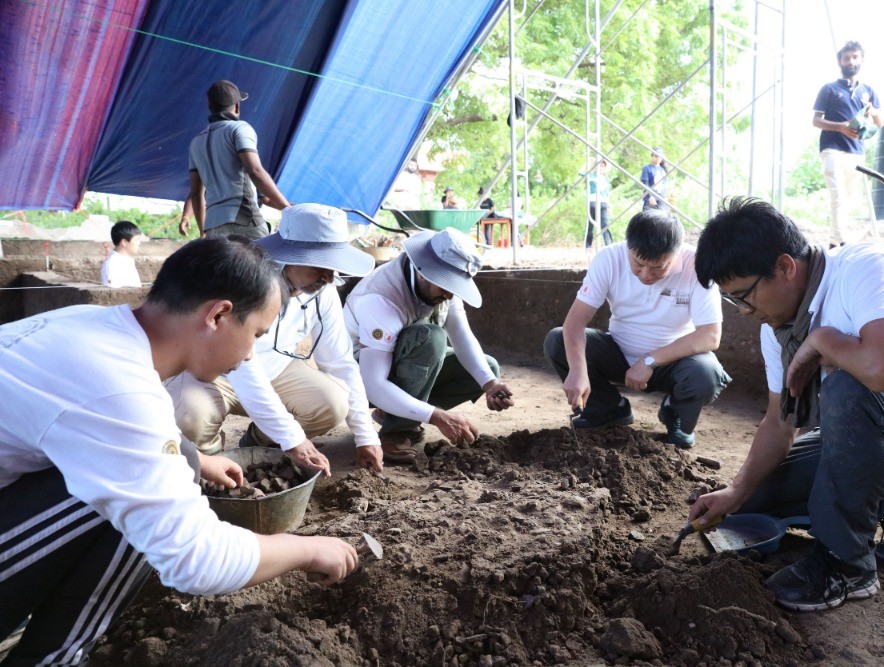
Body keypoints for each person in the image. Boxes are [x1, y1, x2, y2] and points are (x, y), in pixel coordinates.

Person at [0, 237, 359, 665]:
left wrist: (198, 459)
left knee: (175, 461)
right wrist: (307, 548)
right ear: (219, 315)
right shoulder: (116, 388)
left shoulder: (89, 325)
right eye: (255, 336)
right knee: (127, 497)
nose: (249, 356)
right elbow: (196, 560)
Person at [691, 197, 884, 613]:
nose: (743, 311)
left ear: (785, 267)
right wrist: (736, 491)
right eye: (732, 300)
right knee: (752, 501)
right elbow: (779, 422)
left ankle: (846, 566)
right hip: (868, 438)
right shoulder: (778, 324)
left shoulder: (865, 270)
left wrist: (822, 340)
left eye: (743, 296)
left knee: (849, 388)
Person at [166, 204, 383, 475]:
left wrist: (366, 436)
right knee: (190, 415)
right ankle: (214, 464)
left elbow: (340, 362)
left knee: (333, 402)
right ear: (290, 257)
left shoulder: (323, 290)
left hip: (277, 370)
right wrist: (293, 439)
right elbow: (243, 364)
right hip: (218, 373)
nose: (329, 277)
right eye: (320, 266)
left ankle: (257, 445)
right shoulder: (246, 282)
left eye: (334, 266)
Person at [544, 209, 730, 447]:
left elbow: (710, 336)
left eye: (658, 268)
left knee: (707, 373)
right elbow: (575, 324)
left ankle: (676, 413)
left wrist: (650, 360)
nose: (646, 275)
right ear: (628, 248)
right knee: (557, 340)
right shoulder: (609, 258)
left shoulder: (697, 266)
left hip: (672, 363)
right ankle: (607, 409)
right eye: (638, 264)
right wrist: (578, 371)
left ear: (677, 254)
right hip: (619, 354)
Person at [343, 228, 514, 463]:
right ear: (424, 273)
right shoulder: (382, 299)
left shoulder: (442, 290)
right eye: (445, 286)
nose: (449, 295)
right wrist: (437, 416)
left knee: (488, 368)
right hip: (356, 376)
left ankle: (395, 410)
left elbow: (461, 335)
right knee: (431, 338)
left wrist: (490, 383)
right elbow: (372, 383)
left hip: (395, 363)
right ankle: (397, 430)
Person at [186, 80, 292, 240]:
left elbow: (196, 194)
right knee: (267, 263)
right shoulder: (239, 128)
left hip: (213, 225)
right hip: (243, 216)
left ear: (210, 108)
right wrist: (288, 209)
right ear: (237, 106)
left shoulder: (196, 142)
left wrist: (203, 231)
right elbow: (255, 171)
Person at [813, 41, 883, 246]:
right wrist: (840, 126)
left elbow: (880, 123)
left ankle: (834, 242)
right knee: (838, 195)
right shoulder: (829, 89)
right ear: (839, 61)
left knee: (848, 199)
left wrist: (874, 112)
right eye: (846, 58)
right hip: (832, 149)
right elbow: (816, 120)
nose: (850, 61)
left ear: (861, 60)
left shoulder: (868, 91)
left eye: (854, 57)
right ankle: (842, 240)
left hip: (856, 151)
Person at [100, 220, 143, 287]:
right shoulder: (112, 264)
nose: (139, 243)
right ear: (124, 242)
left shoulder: (128, 259)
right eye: (137, 239)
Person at [583, 160, 613, 251]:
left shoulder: (606, 179)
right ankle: (588, 246)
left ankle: (609, 246)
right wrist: (588, 163)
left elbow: (606, 193)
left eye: (603, 166)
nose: (601, 168)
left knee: (605, 224)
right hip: (593, 201)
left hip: (603, 203)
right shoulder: (591, 176)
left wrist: (609, 206)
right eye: (599, 166)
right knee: (591, 225)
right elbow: (581, 173)